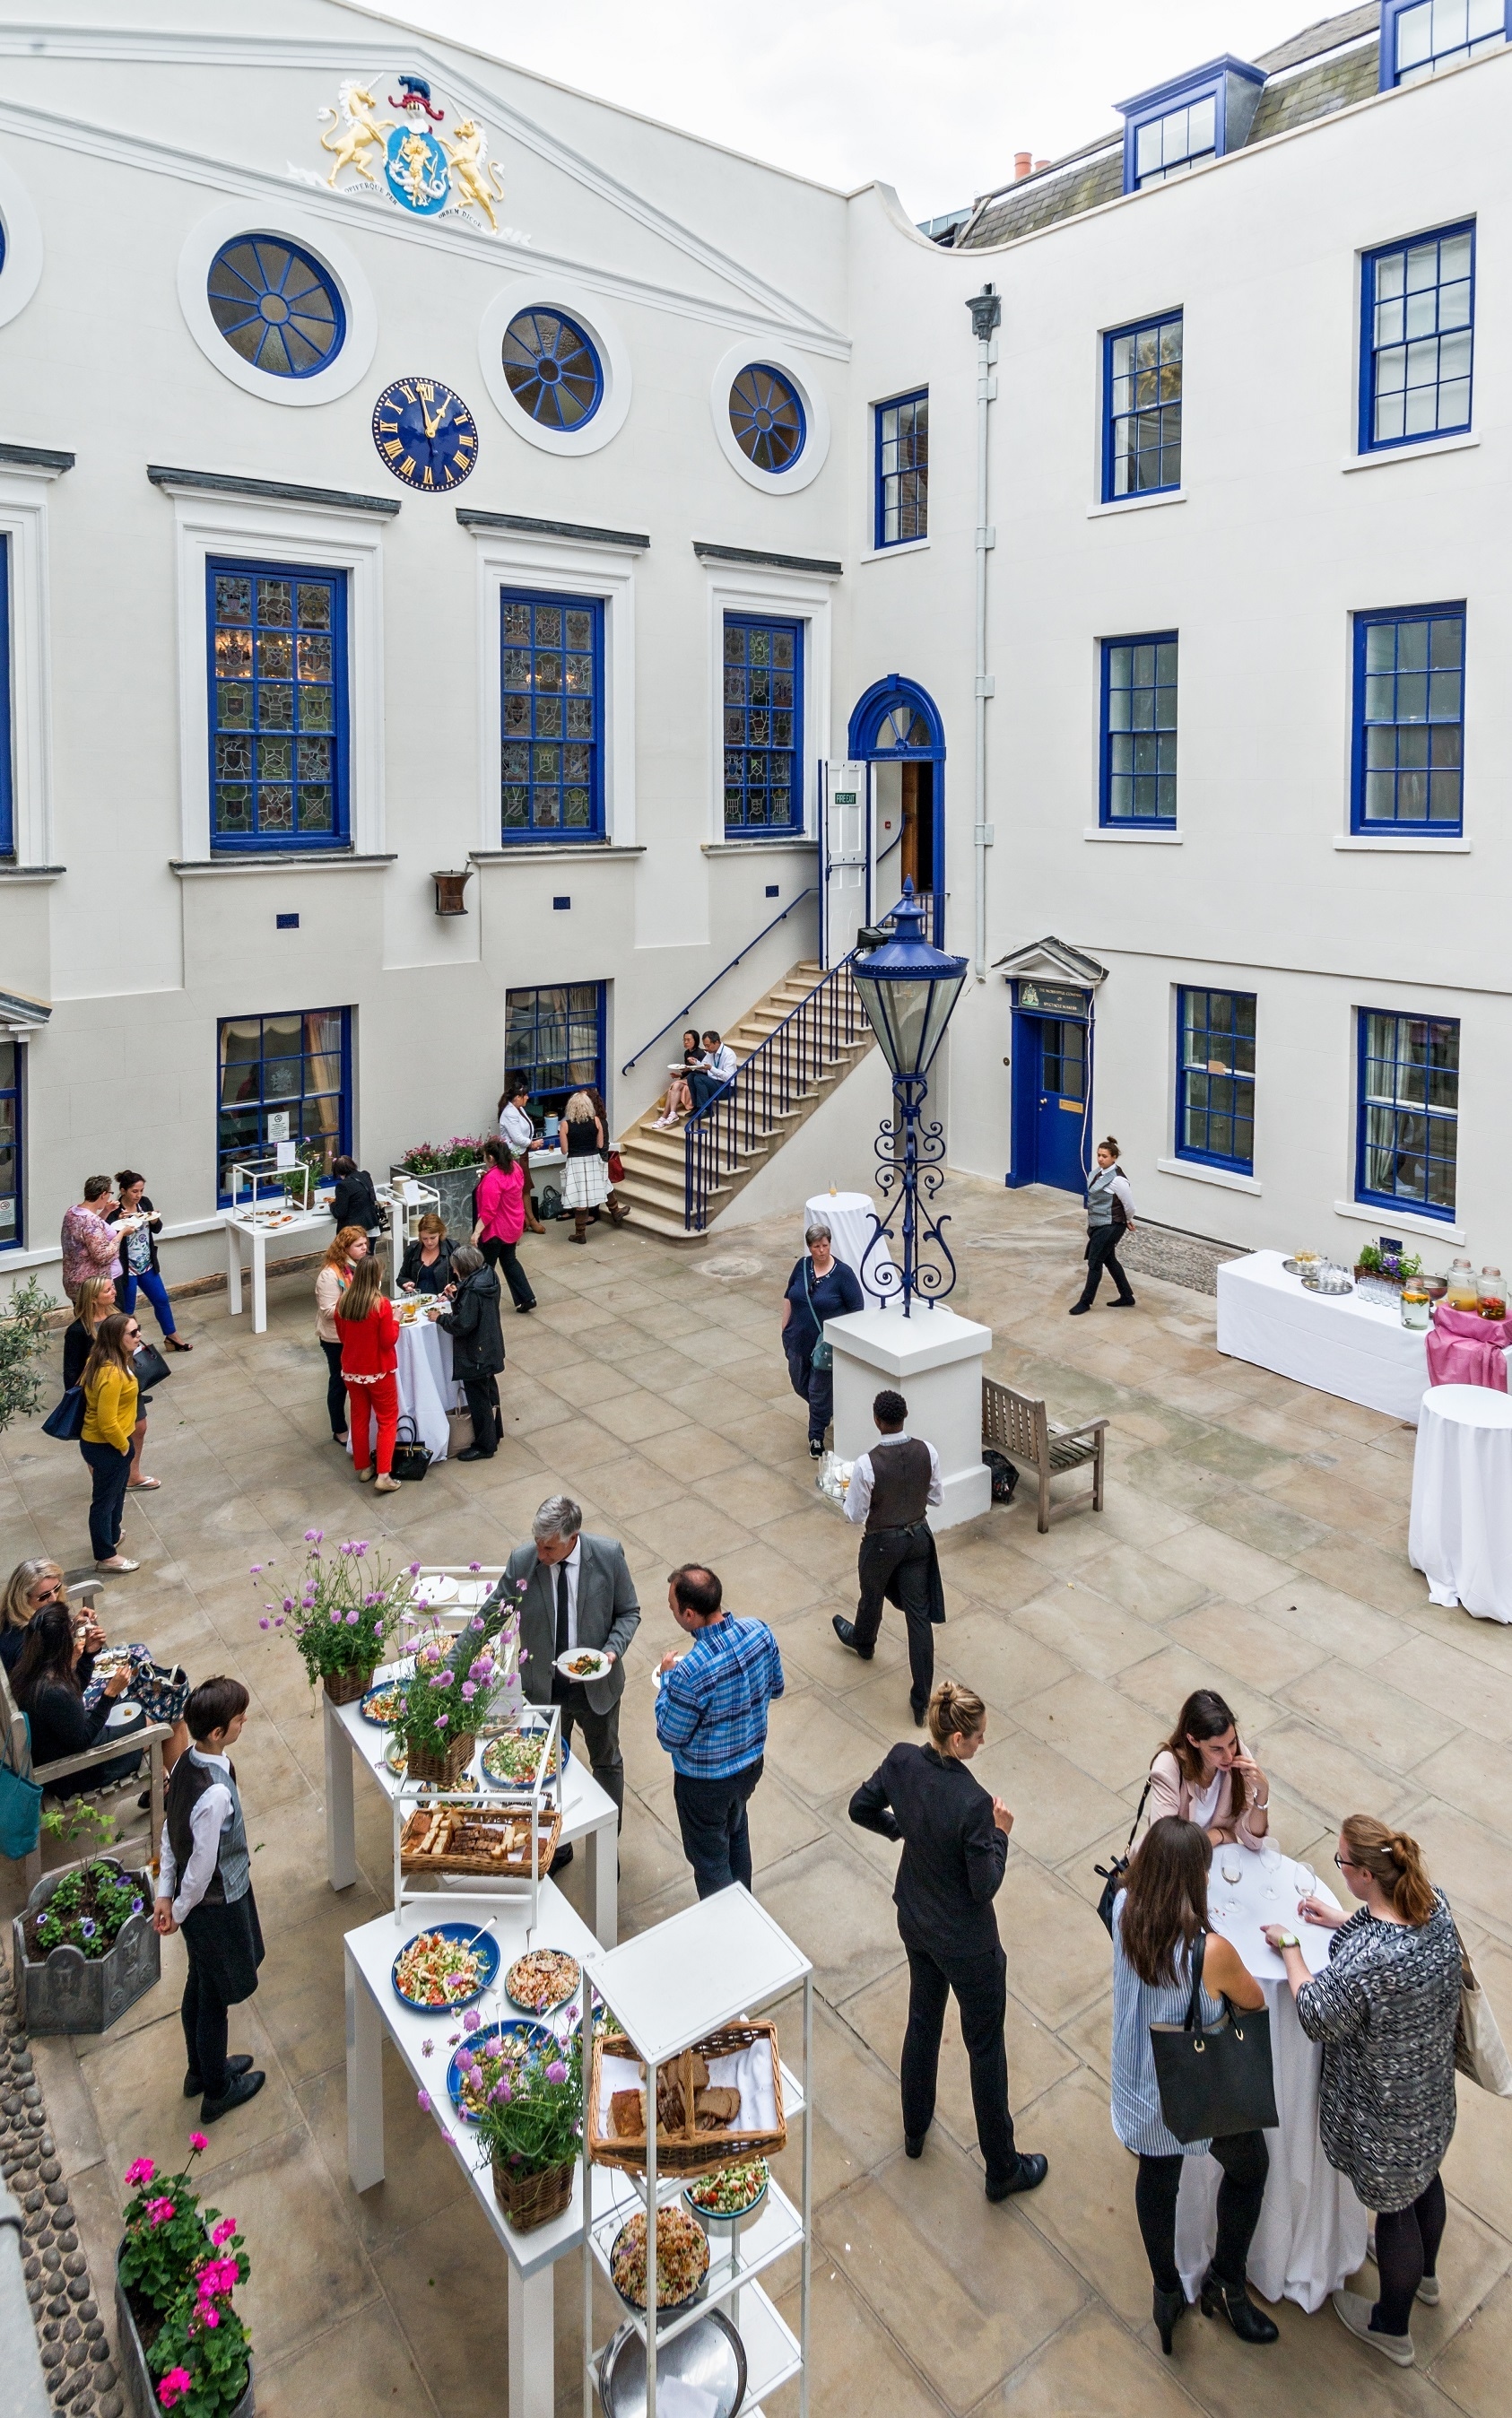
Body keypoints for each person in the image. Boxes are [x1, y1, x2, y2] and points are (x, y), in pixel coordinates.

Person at [1263, 1816, 1460, 2370]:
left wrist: (1292, 1947)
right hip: (1429, 2095)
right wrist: (1342, 1919)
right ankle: (1426, 2279)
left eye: (1342, 1863)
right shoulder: (1433, 1905)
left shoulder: (1369, 1958)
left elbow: (1317, 2013)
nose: (1339, 1869)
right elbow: (1386, 1932)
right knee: (1426, 2182)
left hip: (1384, 2114)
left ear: (1366, 1874)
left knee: (1395, 2213)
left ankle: (1391, 2328)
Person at [849, 1680, 1047, 2204]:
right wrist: (1002, 1832)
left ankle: (915, 2128)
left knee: (923, 2019)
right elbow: (984, 1887)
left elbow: (859, 1808)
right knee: (985, 2048)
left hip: (916, 1918)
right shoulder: (974, 1804)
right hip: (967, 1943)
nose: (983, 1744)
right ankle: (1001, 2167)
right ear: (958, 1739)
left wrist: (902, 1831)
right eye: (979, 1737)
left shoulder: (900, 1761)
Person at [1114, 1815, 1277, 2352]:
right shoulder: (1210, 1952)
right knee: (1251, 2167)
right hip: (1194, 2093)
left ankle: (1166, 2290)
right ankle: (1226, 2282)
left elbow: (1115, 1891)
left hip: (1140, 2083)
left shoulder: (1123, 1913)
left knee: (1157, 2183)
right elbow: (1252, 2001)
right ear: (1192, 1880)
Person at [499, 1496, 640, 1866]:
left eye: (549, 1548)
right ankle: (556, 1844)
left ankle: (607, 1848)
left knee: (606, 1761)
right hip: (544, 1690)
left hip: (596, 1687)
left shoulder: (608, 1556)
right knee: (545, 1769)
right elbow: (491, 1613)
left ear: (572, 1537)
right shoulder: (523, 1562)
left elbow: (629, 1613)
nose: (540, 1554)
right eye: (537, 1544)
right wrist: (459, 1659)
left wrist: (611, 1651)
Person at [153, 1675, 266, 2124]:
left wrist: (165, 1892)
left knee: (198, 1982)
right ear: (217, 1732)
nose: (243, 1724)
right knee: (214, 1997)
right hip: (215, 1906)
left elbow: (168, 1829)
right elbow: (200, 1869)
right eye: (239, 1720)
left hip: (197, 1905)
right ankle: (217, 2089)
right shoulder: (216, 1793)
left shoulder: (184, 1762)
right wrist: (177, 1909)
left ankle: (199, 2070)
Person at [655, 1563, 785, 1898]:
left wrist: (667, 1679)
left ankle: (729, 1933)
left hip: (704, 1785)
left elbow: (670, 1737)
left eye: (672, 1608)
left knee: (711, 1862)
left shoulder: (691, 1672)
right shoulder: (759, 1631)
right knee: (736, 1831)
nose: (672, 1612)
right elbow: (777, 1687)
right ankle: (747, 1907)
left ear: (688, 1614)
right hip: (750, 1768)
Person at [832, 1389, 945, 1724]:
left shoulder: (868, 1464)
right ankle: (921, 1699)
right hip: (918, 1539)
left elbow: (855, 1515)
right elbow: (936, 1498)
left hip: (882, 1543)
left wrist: (844, 1490)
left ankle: (864, 1641)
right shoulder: (929, 1451)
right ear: (904, 1416)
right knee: (918, 1616)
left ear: (877, 1420)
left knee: (872, 1594)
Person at [12, 1601, 141, 1792]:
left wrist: (88, 1656)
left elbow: (69, 1702)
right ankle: (169, 1790)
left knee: (134, 1707)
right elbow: (82, 1740)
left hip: (58, 1748)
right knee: (151, 1722)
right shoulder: (53, 1691)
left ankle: (164, 1779)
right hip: (73, 1771)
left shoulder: (31, 1669)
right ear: (63, 1643)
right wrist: (110, 1694)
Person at [64, 1274, 157, 1495]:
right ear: (94, 1298)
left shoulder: (120, 1318)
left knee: (139, 1427)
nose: (114, 1292)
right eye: (107, 1290)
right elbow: (70, 1368)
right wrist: (77, 1395)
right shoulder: (79, 1330)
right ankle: (106, 1488)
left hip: (127, 1384)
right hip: (101, 1390)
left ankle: (133, 1477)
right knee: (102, 1439)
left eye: (112, 1288)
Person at [780, 1222, 865, 1457]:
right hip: (797, 1339)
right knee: (800, 1385)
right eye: (816, 1246)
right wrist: (784, 1327)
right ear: (809, 1247)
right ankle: (827, 1409)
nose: (821, 1250)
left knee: (818, 1391)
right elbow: (789, 1295)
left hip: (826, 1346)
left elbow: (857, 1308)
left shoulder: (843, 1274)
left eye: (825, 1245)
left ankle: (816, 1436)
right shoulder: (802, 1266)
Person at [1148, 1689, 1272, 1848]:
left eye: (1232, 1742)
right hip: (1177, 1866)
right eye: (1217, 1749)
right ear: (1193, 1740)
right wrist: (1218, 1836)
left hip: (1214, 1857)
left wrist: (1262, 1793)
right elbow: (1166, 1845)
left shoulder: (1240, 1757)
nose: (1229, 1756)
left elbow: (1253, 1841)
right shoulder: (1167, 1768)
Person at [80, 1309, 143, 1570]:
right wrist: (125, 1446)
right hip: (107, 1445)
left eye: (139, 1329)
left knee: (116, 1494)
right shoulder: (113, 1373)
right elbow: (107, 1421)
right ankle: (106, 1555)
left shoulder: (102, 1360)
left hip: (105, 1444)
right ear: (118, 1338)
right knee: (105, 1501)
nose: (139, 1336)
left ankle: (113, 1535)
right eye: (133, 1333)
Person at [334, 1251, 402, 1492]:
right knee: (387, 1420)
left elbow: (342, 1337)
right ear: (377, 1277)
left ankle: (364, 1466)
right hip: (378, 1371)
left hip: (352, 1370)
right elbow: (387, 1341)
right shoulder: (380, 1304)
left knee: (359, 1418)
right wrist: (395, 1320)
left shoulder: (344, 1302)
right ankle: (384, 1474)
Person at [436, 1243, 505, 1461]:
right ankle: (495, 1433)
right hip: (489, 1345)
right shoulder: (488, 1277)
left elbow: (463, 1324)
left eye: (456, 1268)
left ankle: (485, 1446)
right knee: (489, 1390)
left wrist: (439, 1318)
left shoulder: (474, 1291)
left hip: (476, 1352)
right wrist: (458, 1295)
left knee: (479, 1398)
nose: (454, 1272)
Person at [109, 1170, 192, 1350]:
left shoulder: (144, 1204)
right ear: (123, 1191)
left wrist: (154, 1219)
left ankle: (172, 1337)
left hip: (146, 1263)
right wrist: (119, 1223)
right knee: (128, 1311)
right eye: (134, 1191)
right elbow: (109, 1238)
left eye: (141, 1191)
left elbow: (157, 1229)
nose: (139, 1195)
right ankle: (126, 1347)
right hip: (127, 1268)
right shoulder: (115, 1211)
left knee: (161, 1299)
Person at [1070, 1135, 1136, 1315]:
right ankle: (1126, 1296)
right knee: (1109, 1259)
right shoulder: (1097, 1173)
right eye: (1099, 1155)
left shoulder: (1118, 1180)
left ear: (1114, 1157)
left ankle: (1085, 1301)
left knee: (1095, 1262)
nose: (1100, 1159)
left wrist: (1128, 1219)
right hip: (1098, 1223)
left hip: (1111, 1225)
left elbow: (1129, 1204)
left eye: (1104, 1156)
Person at [315, 1227, 367, 1444]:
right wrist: (358, 1303)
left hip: (358, 1334)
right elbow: (328, 1311)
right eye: (359, 1245)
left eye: (365, 1244)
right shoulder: (330, 1275)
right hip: (336, 1338)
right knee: (340, 1382)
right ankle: (339, 1429)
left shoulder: (361, 1267)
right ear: (345, 1248)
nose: (365, 1248)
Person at [472, 1136, 537, 1313]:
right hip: (513, 1225)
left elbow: (488, 1212)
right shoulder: (515, 1168)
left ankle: (484, 1306)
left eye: (485, 1157)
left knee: (485, 1269)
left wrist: (477, 1232)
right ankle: (526, 1297)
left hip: (495, 1231)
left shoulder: (492, 1179)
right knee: (509, 1261)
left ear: (491, 1158)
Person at [560, 1091, 627, 1245]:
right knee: (604, 1184)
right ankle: (615, 1211)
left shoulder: (565, 1125)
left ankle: (580, 1233)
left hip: (575, 1162)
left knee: (580, 1198)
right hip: (592, 1159)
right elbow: (600, 1144)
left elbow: (564, 1150)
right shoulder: (596, 1121)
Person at [60, 1176, 122, 1307]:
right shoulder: (91, 1221)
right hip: (94, 1287)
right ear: (103, 1194)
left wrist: (106, 1211)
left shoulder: (72, 1212)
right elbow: (102, 1256)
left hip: (74, 1281)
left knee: (84, 1321)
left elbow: (91, 1232)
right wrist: (121, 1234)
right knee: (105, 1324)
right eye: (109, 1193)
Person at [0, 1557, 68, 1674]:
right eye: (44, 1596)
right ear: (24, 1599)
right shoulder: (29, 1641)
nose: (54, 1598)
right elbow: (51, 1685)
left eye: (56, 1589)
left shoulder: (11, 1614)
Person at [498, 1075, 545, 1231]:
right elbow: (517, 1137)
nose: (528, 1098)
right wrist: (532, 1144)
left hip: (522, 1155)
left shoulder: (519, 1109)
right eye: (525, 1095)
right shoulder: (510, 1113)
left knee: (525, 1187)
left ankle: (525, 1220)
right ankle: (530, 1220)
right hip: (515, 1156)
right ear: (518, 1097)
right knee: (522, 1189)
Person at [329, 1155, 384, 1249]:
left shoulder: (343, 1186)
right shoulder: (365, 1175)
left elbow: (340, 1213)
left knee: (353, 1261)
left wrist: (332, 1204)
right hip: (372, 1223)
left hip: (354, 1230)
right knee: (369, 1258)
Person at [654, 1030, 703, 1129]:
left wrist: (693, 1065)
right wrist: (679, 1075)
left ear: (695, 1040)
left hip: (698, 1079)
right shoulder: (687, 1053)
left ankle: (666, 1115)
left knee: (675, 1085)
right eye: (684, 1040)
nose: (686, 1042)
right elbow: (688, 1069)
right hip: (689, 1078)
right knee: (674, 1086)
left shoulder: (701, 1053)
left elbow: (703, 1070)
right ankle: (670, 1114)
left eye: (688, 1040)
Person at [397, 1212, 455, 1297]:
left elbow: (462, 1280)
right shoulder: (412, 1251)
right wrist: (406, 1284)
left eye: (433, 1238)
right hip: (418, 1300)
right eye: (424, 1238)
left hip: (443, 1301)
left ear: (440, 1233)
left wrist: (450, 1294)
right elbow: (401, 1277)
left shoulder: (452, 1249)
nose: (429, 1242)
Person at [689, 1030, 737, 1115]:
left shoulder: (728, 1054)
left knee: (699, 1078)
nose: (706, 1049)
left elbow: (728, 1077)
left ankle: (707, 1109)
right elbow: (704, 1067)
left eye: (708, 1046)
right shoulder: (710, 1052)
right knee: (691, 1076)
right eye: (705, 1046)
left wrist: (711, 1068)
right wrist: (696, 1063)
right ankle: (696, 1106)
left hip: (726, 1088)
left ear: (717, 1042)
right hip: (714, 1083)